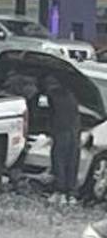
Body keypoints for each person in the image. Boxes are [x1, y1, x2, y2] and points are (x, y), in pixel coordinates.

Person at [44, 74, 81, 204]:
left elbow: (53, 115)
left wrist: (50, 130)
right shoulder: (71, 95)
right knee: (72, 162)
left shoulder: (53, 96)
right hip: (74, 132)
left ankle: (59, 191)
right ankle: (71, 194)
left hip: (61, 132)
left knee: (59, 161)